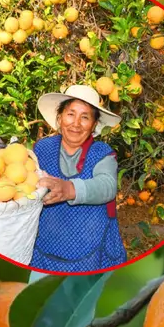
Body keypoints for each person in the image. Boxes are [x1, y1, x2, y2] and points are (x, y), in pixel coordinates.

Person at [30, 84, 127, 273]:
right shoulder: (42, 149)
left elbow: (107, 186)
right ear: (59, 118)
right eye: (70, 114)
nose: (76, 123)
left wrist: (69, 189)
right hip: (44, 248)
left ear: (94, 125)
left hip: (91, 250)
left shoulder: (102, 153)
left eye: (85, 117)